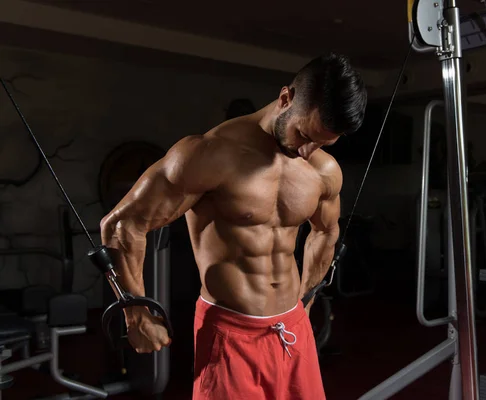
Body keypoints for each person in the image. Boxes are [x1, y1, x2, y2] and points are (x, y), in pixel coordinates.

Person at [99, 52, 368, 400]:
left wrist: (307, 300)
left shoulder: (324, 170)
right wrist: (135, 315)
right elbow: (123, 225)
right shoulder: (209, 154)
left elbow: (326, 232)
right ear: (285, 98)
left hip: (293, 328)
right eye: (303, 134)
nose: (307, 151)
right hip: (231, 334)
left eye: (322, 143)